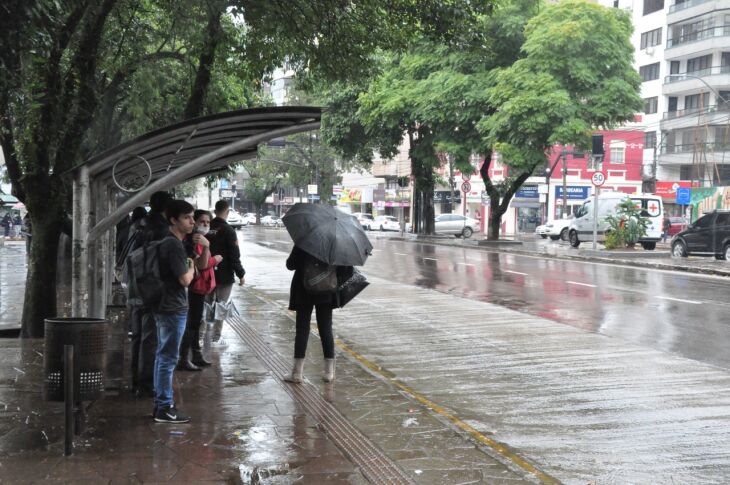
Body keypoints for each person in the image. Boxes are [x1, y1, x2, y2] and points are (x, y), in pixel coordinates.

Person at [151, 199, 195, 423]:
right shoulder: (173, 244)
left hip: (165, 305)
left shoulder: (166, 241)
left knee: (163, 355)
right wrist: (192, 266)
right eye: (187, 218)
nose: (192, 222)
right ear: (173, 220)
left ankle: (161, 403)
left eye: (192, 217)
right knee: (168, 358)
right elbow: (185, 280)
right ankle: (164, 407)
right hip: (172, 307)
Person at [130, 192, 172, 398]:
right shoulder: (162, 230)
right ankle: (146, 383)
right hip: (152, 285)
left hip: (136, 282)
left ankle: (136, 378)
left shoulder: (140, 223)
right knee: (151, 336)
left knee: (139, 334)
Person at [284, 246, 343, 383]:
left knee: (302, 329)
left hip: (304, 290)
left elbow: (290, 265)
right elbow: (344, 269)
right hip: (327, 290)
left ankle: (297, 373)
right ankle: (329, 373)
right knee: (326, 329)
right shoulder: (334, 244)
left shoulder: (304, 240)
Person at [178, 210, 221, 371]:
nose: (205, 225)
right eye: (202, 221)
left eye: (208, 222)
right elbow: (202, 265)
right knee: (192, 322)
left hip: (200, 287)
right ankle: (184, 357)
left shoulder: (201, 239)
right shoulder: (192, 240)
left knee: (196, 321)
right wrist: (214, 258)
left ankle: (195, 354)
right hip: (192, 286)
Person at [208, 199, 245, 341]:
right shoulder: (229, 230)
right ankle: (216, 337)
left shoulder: (206, 227)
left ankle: (200, 334)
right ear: (227, 212)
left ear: (215, 211)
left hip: (207, 273)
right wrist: (240, 274)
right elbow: (234, 255)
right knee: (221, 305)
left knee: (206, 304)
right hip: (224, 275)